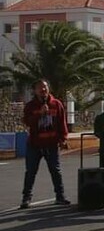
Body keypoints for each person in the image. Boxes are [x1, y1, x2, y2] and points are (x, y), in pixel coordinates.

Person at [20, 79, 71, 208]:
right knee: (31, 171)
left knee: (55, 170)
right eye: (40, 88)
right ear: (35, 90)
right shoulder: (31, 106)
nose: (43, 90)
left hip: (51, 144)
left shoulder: (56, 104)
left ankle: (60, 196)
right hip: (35, 145)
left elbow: (62, 122)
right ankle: (26, 198)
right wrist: (39, 114)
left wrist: (63, 138)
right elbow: (26, 122)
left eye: (45, 87)